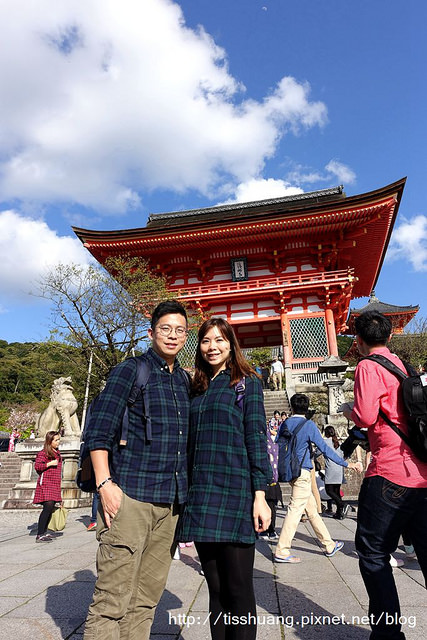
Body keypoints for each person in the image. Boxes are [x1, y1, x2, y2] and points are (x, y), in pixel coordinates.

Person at [83, 300, 191, 640]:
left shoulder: (186, 381)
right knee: (111, 600)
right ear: (151, 332)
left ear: (186, 337)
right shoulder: (131, 370)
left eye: (179, 330)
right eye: (165, 329)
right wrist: (105, 484)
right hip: (131, 496)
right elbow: (98, 430)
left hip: (170, 504)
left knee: (146, 600)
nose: (172, 336)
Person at [178, 317, 271, 640]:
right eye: (205, 340)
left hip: (235, 494)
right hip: (202, 495)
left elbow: (256, 438)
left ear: (231, 344)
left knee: (239, 589)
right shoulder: (197, 388)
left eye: (219, 340)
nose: (212, 347)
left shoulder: (246, 382)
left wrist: (260, 494)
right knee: (215, 589)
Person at [342, 310, 427, 640]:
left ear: (358, 341)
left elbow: (364, 416)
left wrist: (348, 408)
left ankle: (388, 634)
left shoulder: (367, 365)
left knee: (373, 554)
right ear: (391, 336)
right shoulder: (405, 367)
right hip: (421, 471)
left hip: (390, 472)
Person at [274, 393, 362, 563]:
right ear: (307, 408)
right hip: (303, 472)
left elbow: (278, 444)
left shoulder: (285, 423)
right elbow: (326, 450)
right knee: (294, 510)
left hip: (291, 471)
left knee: (312, 510)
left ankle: (328, 544)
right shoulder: (308, 425)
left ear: (292, 407)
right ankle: (282, 550)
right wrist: (347, 464)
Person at [33, 431, 62, 543]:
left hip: (55, 483)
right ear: (50, 441)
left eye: (59, 439)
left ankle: (44, 532)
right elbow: (38, 466)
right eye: (56, 440)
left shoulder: (58, 453)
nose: (58, 442)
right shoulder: (43, 453)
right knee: (47, 507)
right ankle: (40, 534)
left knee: (51, 507)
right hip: (46, 483)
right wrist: (49, 464)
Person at [259, 422, 282, 541]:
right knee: (272, 507)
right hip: (274, 482)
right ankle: (272, 530)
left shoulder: (259, 447)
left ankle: (263, 529)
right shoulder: (275, 446)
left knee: (262, 505)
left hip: (263, 481)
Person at [320, 425, 348, 519]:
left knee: (329, 490)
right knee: (336, 491)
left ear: (325, 433)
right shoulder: (337, 442)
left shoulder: (325, 442)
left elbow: (317, 452)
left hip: (331, 469)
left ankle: (342, 504)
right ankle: (339, 513)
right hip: (339, 469)